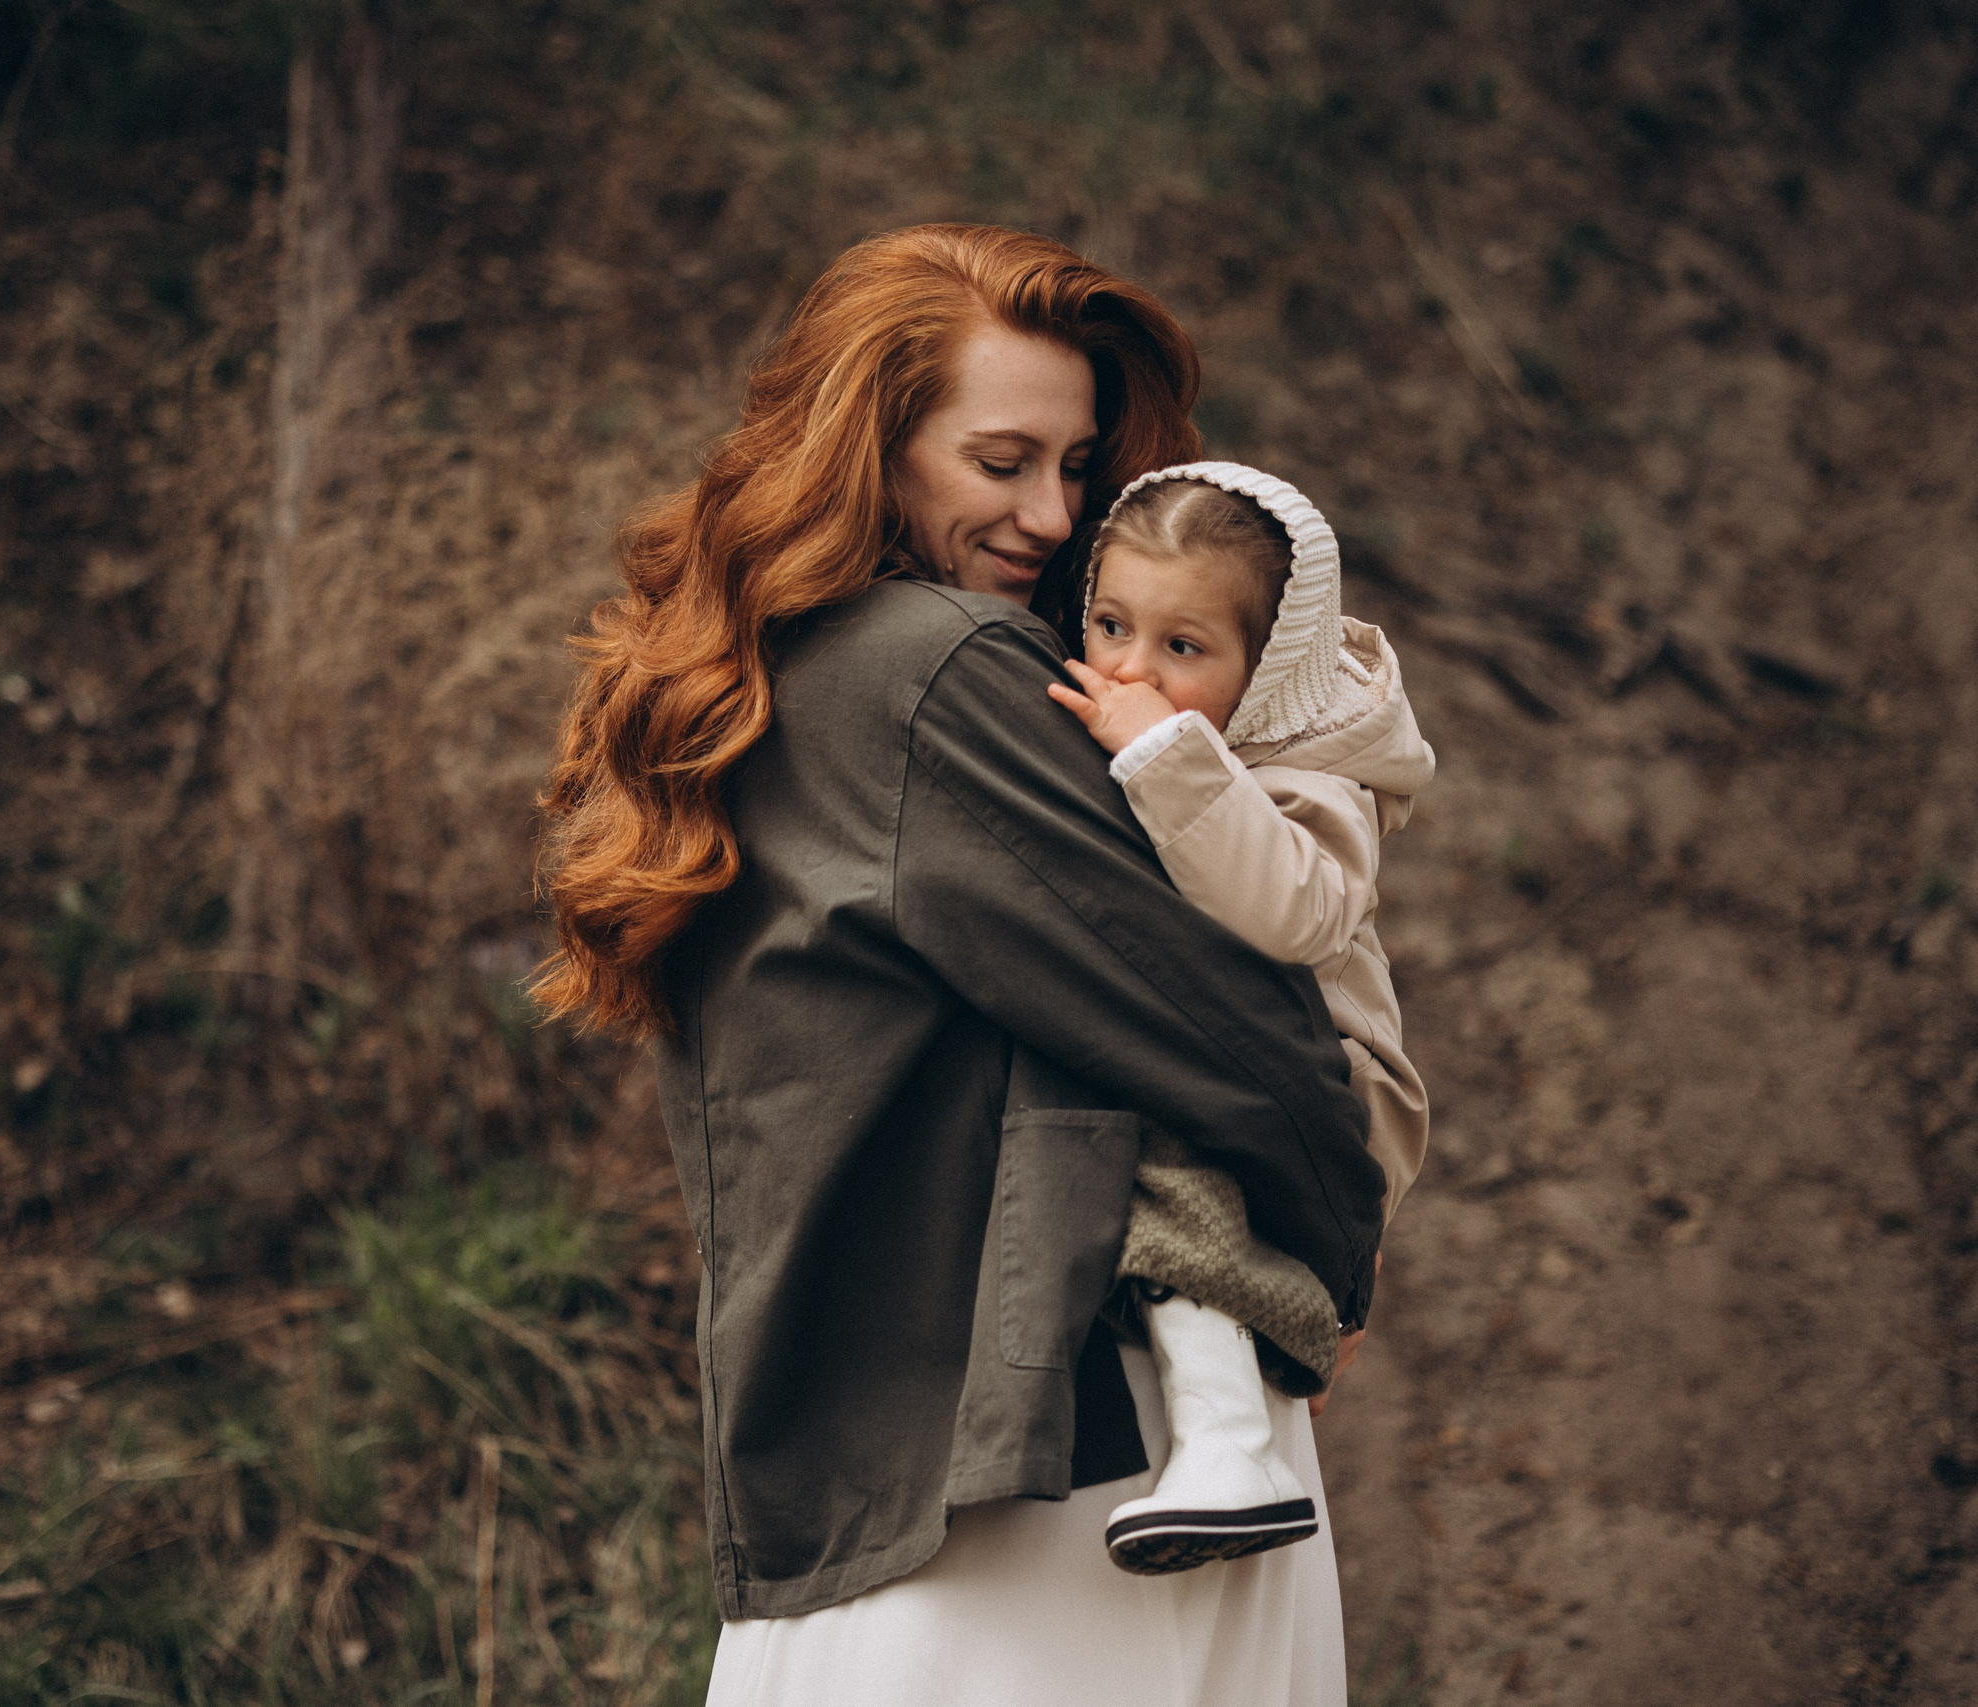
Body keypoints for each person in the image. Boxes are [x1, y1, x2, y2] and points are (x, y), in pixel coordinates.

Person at [535, 224, 1387, 1705]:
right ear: (866, 442)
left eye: (1076, 466)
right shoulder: (939, 669)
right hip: (1060, 1458)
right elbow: (1233, 1027)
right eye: (1001, 462)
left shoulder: (750, 685)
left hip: (856, 1466)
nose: (1055, 516)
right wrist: (1330, 1246)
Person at [1045, 463, 1433, 1574]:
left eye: (1183, 648)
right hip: (1242, 1063)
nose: (1128, 669)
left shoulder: (1313, 773)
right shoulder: (1164, 734)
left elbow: (1296, 911)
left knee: (1161, 1139)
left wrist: (1163, 759)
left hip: (1336, 1081)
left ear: (1267, 673)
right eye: (1112, 624)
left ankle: (1226, 1446)